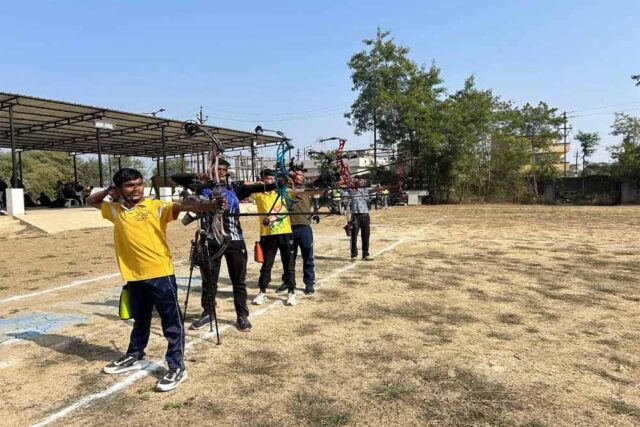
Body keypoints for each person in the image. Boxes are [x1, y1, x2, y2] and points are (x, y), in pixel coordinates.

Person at [87, 168, 224, 392]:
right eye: (130, 185)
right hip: (134, 276)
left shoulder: (155, 206)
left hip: (160, 274)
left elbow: (182, 206)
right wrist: (108, 192)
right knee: (140, 320)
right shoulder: (115, 210)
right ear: (119, 189)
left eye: (139, 184)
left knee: (171, 322)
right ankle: (135, 355)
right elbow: (91, 200)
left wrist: (211, 204)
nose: (136, 189)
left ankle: (177, 366)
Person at [172, 159, 274, 332]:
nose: (220, 172)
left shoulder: (235, 188)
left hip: (234, 240)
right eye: (216, 168)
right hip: (210, 241)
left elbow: (265, 187)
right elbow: (176, 177)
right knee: (209, 281)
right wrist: (200, 176)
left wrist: (280, 181)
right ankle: (208, 313)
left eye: (223, 169)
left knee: (238, 281)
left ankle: (242, 315)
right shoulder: (201, 187)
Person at [250, 168, 297, 306]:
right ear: (262, 180)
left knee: (288, 263)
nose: (270, 181)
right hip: (268, 233)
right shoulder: (258, 193)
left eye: (272, 179)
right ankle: (262, 292)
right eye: (267, 179)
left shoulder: (282, 191)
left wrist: (289, 180)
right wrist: (258, 184)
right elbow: (246, 189)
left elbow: (298, 191)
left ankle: (291, 292)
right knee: (267, 265)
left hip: (284, 232)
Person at [276, 168, 323, 296]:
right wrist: (287, 177)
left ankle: (309, 282)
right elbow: (279, 184)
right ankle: (287, 281)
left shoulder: (307, 188)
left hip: (304, 227)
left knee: (308, 256)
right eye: (297, 174)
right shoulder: (284, 189)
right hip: (288, 228)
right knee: (289, 258)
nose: (300, 176)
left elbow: (320, 188)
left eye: (302, 175)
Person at [342, 178, 381, 262]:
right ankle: (354, 255)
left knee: (366, 236)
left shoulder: (365, 189)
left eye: (363, 181)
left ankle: (365, 254)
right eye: (359, 180)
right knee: (354, 236)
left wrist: (379, 187)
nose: (361, 182)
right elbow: (339, 185)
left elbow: (377, 189)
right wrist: (348, 180)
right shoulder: (351, 190)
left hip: (365, 215)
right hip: (355, 216)